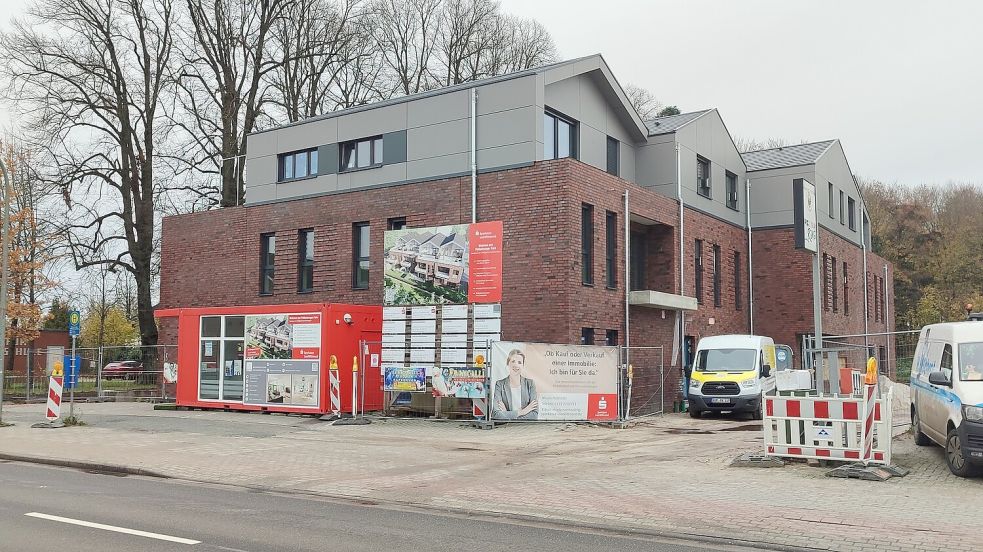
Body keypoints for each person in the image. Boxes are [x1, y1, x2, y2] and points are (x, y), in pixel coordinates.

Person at [492, 349, 538, 420]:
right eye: (513, 361)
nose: (516, 365)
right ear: (508, 363)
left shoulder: (530, 384)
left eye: (519, 362)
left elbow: (534, 415)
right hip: (506, 428)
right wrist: (522, 412)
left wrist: (508, 414)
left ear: (523, 366)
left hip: (527, 428)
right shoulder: (500, 384)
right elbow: (496, 414)